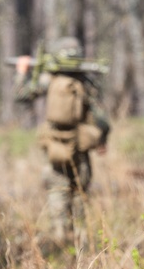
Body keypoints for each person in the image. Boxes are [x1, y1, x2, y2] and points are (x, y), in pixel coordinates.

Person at [15, 37, 110, 247]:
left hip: (55, 146)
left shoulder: (48, 79)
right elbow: (101, 118)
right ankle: (81, 243)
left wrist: (22, 72)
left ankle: (60, 239)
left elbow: (22, 95)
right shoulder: (85, 82)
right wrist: (102, 139)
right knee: (80, 195)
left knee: (57, 190)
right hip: (81, 146)